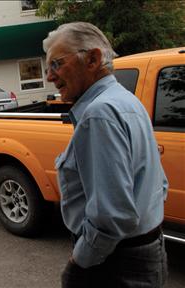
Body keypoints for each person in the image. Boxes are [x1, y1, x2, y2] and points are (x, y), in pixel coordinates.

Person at [44, 22, 168, 287]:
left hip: (116, 264)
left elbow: (112, 216)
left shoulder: (99, 113)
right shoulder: (126, 100)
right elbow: (160, 183)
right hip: (145, 250)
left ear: (92, 59)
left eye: (56, 64)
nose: (49, 77)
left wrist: (79, 262)